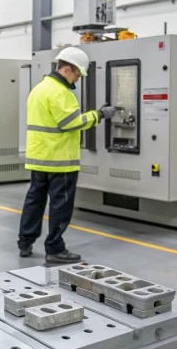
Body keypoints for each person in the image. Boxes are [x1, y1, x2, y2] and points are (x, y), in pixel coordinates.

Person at [17, 47, 117, 265]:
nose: (79, 79)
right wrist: (99, 115)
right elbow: (70, 123)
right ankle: (55, 248)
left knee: (34, 200)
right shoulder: (61, 93)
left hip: (39, 158)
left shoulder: (39, 88)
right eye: (78, 74)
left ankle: (25, 241)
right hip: (59, 161)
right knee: (60, 206)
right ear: (68, 69)